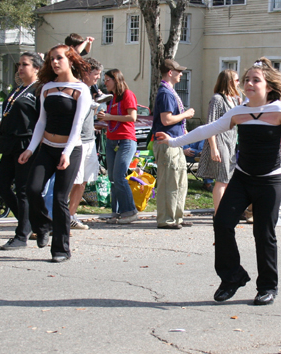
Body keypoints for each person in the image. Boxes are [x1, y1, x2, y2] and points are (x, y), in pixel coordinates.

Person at [155, 58, 281, 306]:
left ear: (268, 86)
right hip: (243, 178)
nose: (248, 83)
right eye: (246, 79)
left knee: (263, 233)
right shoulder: (239, 111)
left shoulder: (280, 110)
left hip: (269, 182)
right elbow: (207, 129)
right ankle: (232, 277)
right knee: (223, 222)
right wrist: (173, 142)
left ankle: (267, 286)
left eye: (255, 80)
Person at [19, 45, 91, 263]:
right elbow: (41, 121)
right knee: (31, 188)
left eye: (59, 58)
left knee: (60, 198)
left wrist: (67, 152)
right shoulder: (47, 87)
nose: (54, 63)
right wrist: (30, 149)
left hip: (70, 149)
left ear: (71, 60)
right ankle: (43, 226)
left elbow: (78, 125)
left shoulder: (81, 89)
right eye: (51, 59)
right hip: (47, 148)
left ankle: (61, 249)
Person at [0, 52, 44, 250]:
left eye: (25, 64)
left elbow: (43, 122)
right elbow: (5, 118)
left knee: (23, 190)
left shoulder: (39, 91)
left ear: (36, 68)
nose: (20, 68)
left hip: (26, 144)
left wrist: (36, 147)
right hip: (8, 144)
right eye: (19, 64)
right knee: (1, 186)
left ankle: (21, 235)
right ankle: (32, 223)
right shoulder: (16, 90)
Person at [150, 59, 195, 229]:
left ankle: (177, 217)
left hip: (175, 143)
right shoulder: (165, 93)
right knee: (169, 182)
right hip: (166, 143)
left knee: (180, 182)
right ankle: (166, 219)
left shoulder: (169, 91)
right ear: (170, 72)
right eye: (179, 71)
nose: (181, 74)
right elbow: (166, 119)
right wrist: (186, 114)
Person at [97, 68, 140, 224]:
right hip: (111, 140)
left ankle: (130, 211)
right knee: (112, 178)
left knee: (119, 176)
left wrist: (109, 117)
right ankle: (116, 213)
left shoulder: (127, 95)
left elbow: (132, 117)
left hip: (125, 141)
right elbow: (114, 120)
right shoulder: (112, 98)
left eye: (107, 79)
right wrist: (103, 122)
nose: (105, 82)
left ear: (116, 80)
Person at [197, 69, 241, 214]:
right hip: (220, 141)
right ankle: (219, 213)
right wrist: (214, 148)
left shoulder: (234, 99)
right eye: (236, 80)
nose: (239, 83)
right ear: (229, 82)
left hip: (231, 142)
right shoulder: (217, 99)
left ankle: (227, 211)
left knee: (229, 178)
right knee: (222, 178)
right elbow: (210, 125)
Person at [67, 57, 104, 230]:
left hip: (90, 140)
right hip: (78, 141)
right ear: (86, 72)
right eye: (96, 74)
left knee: (84, 181)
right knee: (72, 180)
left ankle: (71, 215)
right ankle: (59, 215)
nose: (98, 78)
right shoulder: (77, 89)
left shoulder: (89, 90)